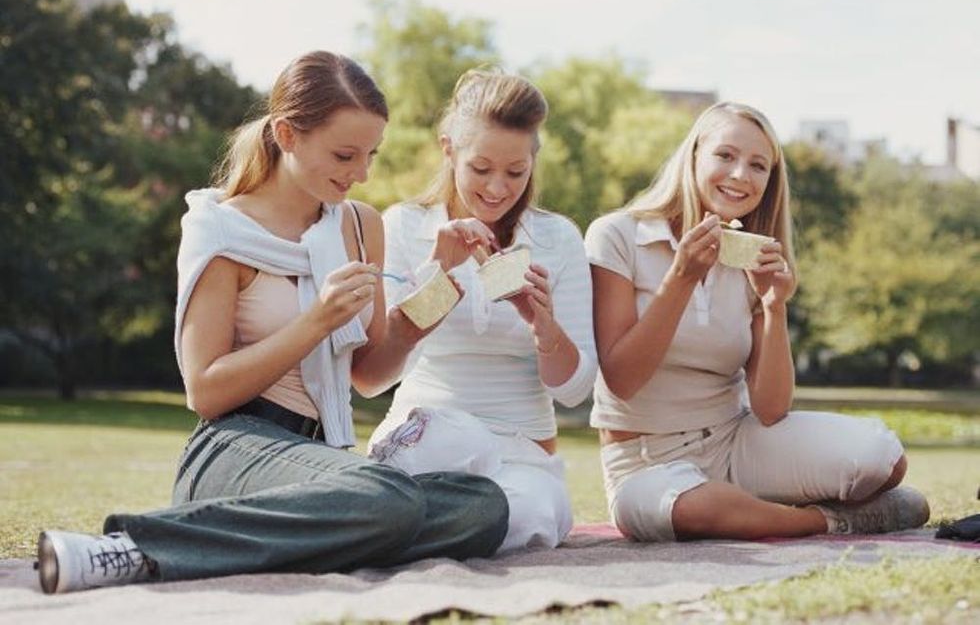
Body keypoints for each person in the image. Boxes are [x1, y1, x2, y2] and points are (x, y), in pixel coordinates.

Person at [35, 51, 508, 594]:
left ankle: (296, 537)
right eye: (345, 154)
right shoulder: (221, 231)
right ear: (286, 133)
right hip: (235, 444)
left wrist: (441, 279)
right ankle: (132, 550)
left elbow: (370, 374)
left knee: (484, 507)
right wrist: (316, 321)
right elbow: (205, 392)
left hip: (325, 464)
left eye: (371, 155)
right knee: (387, 499)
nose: (361, 174)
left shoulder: (359, 225)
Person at [584, 101, 929, 543]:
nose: (741, 175)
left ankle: (755, 510)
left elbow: (770, 409)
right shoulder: (617, 235)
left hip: (734, 439)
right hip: (646, 458)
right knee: (694, 508)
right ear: (693, 157)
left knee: (882, 458)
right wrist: (682, 277)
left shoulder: (751, 253)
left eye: (758, 166)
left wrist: (774, 306)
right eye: (725, 156)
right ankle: (835, 521)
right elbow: (621, 379)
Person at [366, 69, 597, 552]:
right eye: (481, 168)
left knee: (532, 513)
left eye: (516, 171)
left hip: (520, 451)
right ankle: (432, 521)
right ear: (448, 149)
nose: (497, 188)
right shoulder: (405, 227)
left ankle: (403, 528)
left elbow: (575, 391)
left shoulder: (558, 240)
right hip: (427, 439)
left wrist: (544, 327)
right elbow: (373, 378)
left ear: (534, 160)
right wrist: (437, 274)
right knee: (450, 443)